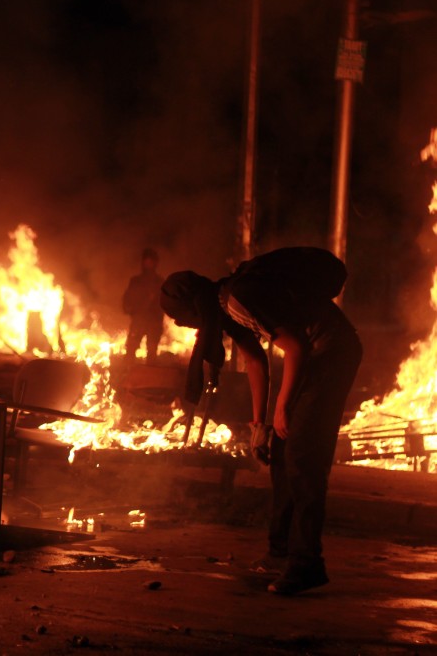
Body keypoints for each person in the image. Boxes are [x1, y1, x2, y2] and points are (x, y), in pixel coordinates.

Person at [160, 247, 361, 596]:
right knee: (281, 454)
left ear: (192, 308)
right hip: (314, 354)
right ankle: (279, 553)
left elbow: (296, 347)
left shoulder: (238, 299)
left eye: (180, 318)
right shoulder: (225, 309)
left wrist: (281, 409)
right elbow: (256, 362)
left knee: (302, 458)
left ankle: (306, 564)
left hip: (332, 353)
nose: (182, 326)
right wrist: (258, 426)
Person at [121, 248, 164, 360]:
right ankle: (127, 374)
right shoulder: (136, 280)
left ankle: (149, 375)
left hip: (154, 322)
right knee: (130, 350)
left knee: (151, 352)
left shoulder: (160, 282)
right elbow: (127, 297)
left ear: (155, 263)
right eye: (146, 260)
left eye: (150, 261)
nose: (148, 263)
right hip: (138, 320)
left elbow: (164, 303)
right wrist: (127, 308)